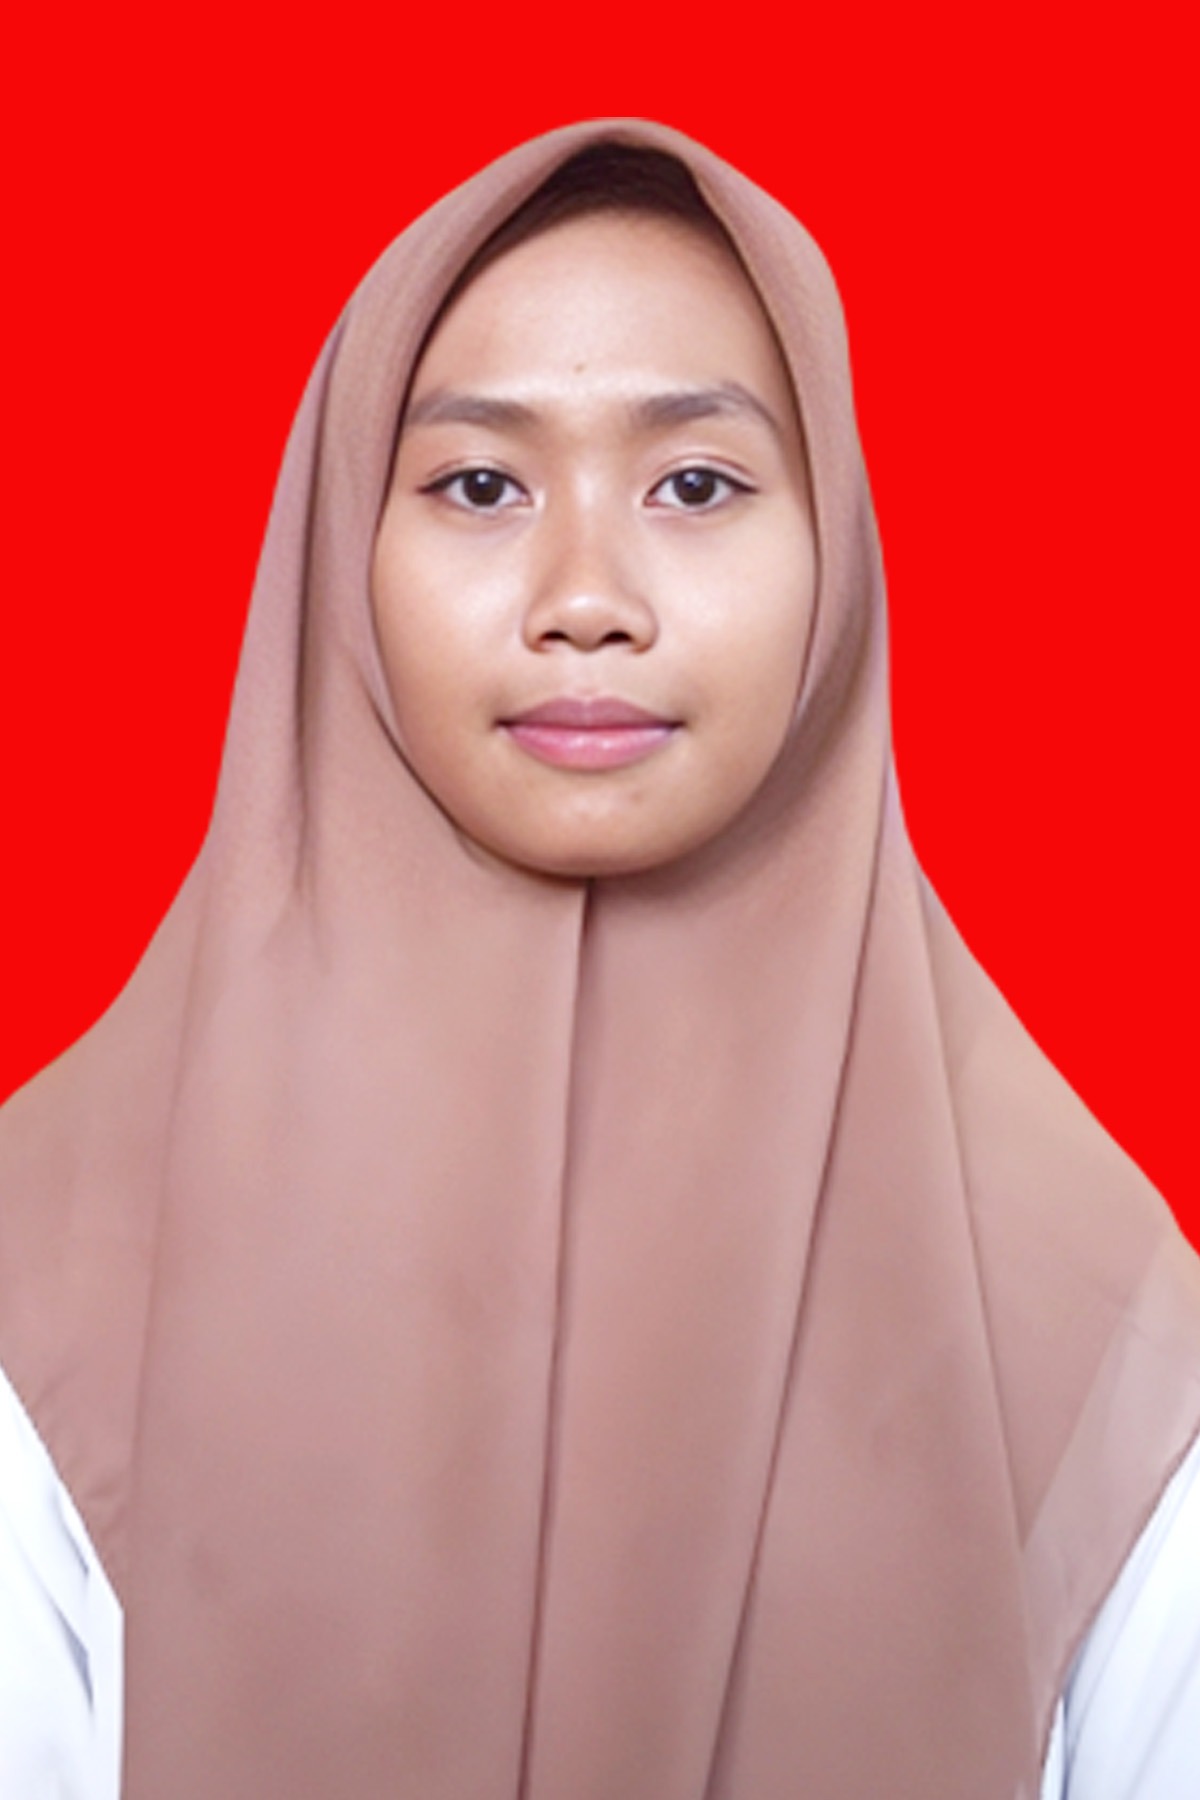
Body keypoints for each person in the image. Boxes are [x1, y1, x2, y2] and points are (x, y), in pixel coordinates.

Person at [1, 121, 1198, 1800]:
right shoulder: (51, 1270)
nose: (585, 598)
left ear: (834, 562)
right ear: (344, 552)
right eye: (481, 484)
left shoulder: (1095, 1332)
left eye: (695, 484)